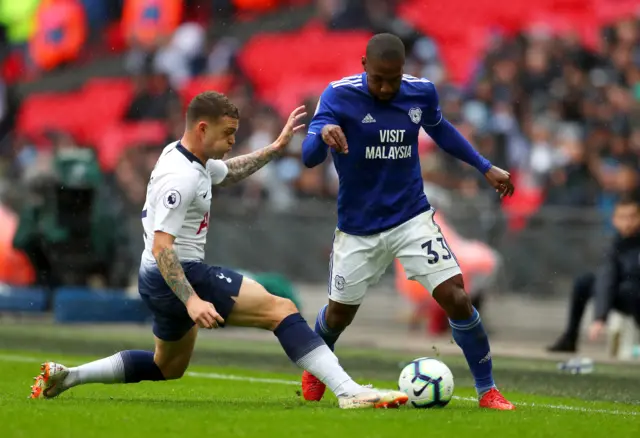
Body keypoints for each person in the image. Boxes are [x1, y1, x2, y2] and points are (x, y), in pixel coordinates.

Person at [29, 91, 408, 410]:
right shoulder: (181, 178)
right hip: (178, 273)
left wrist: (275, 149)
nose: (231, 142)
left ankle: (70, 376)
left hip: (157, 280)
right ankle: (348, 391)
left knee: (167, 366)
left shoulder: (187, 158)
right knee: (282, 310)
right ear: (202, 127)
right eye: (228, 134)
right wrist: (192, 301)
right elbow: (164, 247)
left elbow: (229, 171)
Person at [301, 33, 515, 410]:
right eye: (379, 78)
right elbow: (308, 157)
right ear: (364, 64)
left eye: (393, 79)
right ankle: (317, 366)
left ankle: (487, 390)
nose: (385, 87)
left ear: (404, 70)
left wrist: (484, 167)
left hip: (411, 218)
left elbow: (441, 130)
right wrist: (322, 136)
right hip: (358, 228)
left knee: (458, 297)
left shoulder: (421, 92)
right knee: (339, 314)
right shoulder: (338, 95)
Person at [548, 195, 640, 353]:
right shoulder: (614, 245)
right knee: (584, 282)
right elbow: (607, 277)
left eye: (632, 217)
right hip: (625, 295)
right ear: (614, 220)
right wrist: (600, 317)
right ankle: (570, 337)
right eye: (622, 217)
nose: (627, 222)